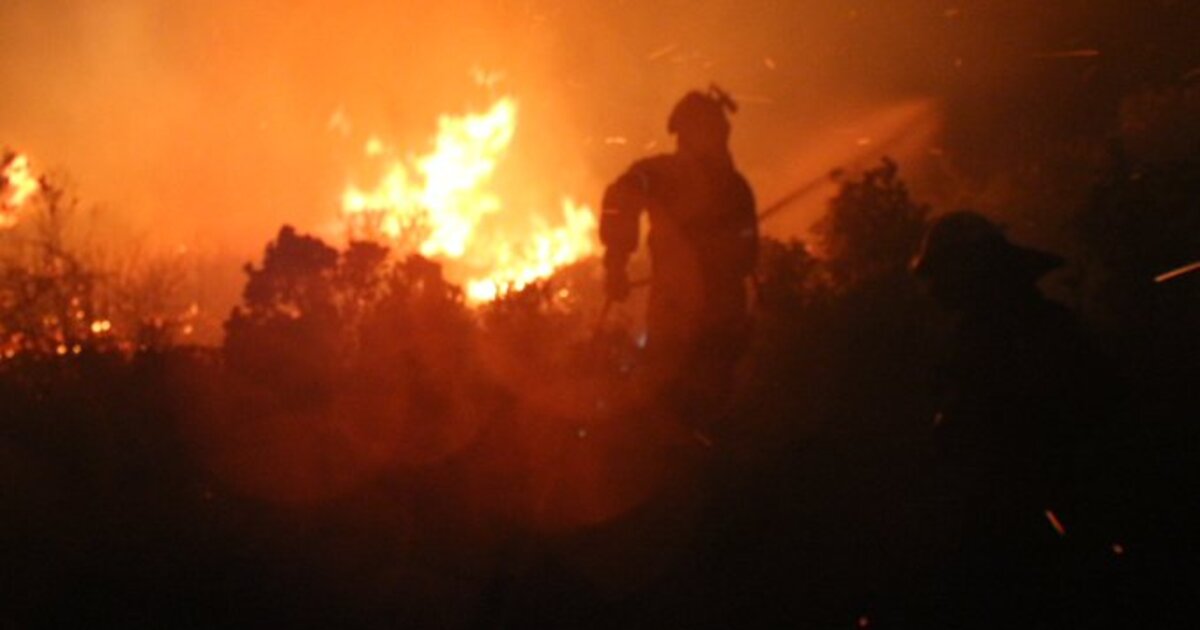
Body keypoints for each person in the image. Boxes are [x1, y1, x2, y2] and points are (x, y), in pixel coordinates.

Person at [599, 86, 758, 433]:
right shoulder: (662, 176)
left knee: (699, 419)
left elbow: (747, 258)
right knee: (677, 415)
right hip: (682, 322)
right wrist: (616, 261)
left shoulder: (734, 189)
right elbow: (622, 197)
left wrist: (617, 262)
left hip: (715, 325)